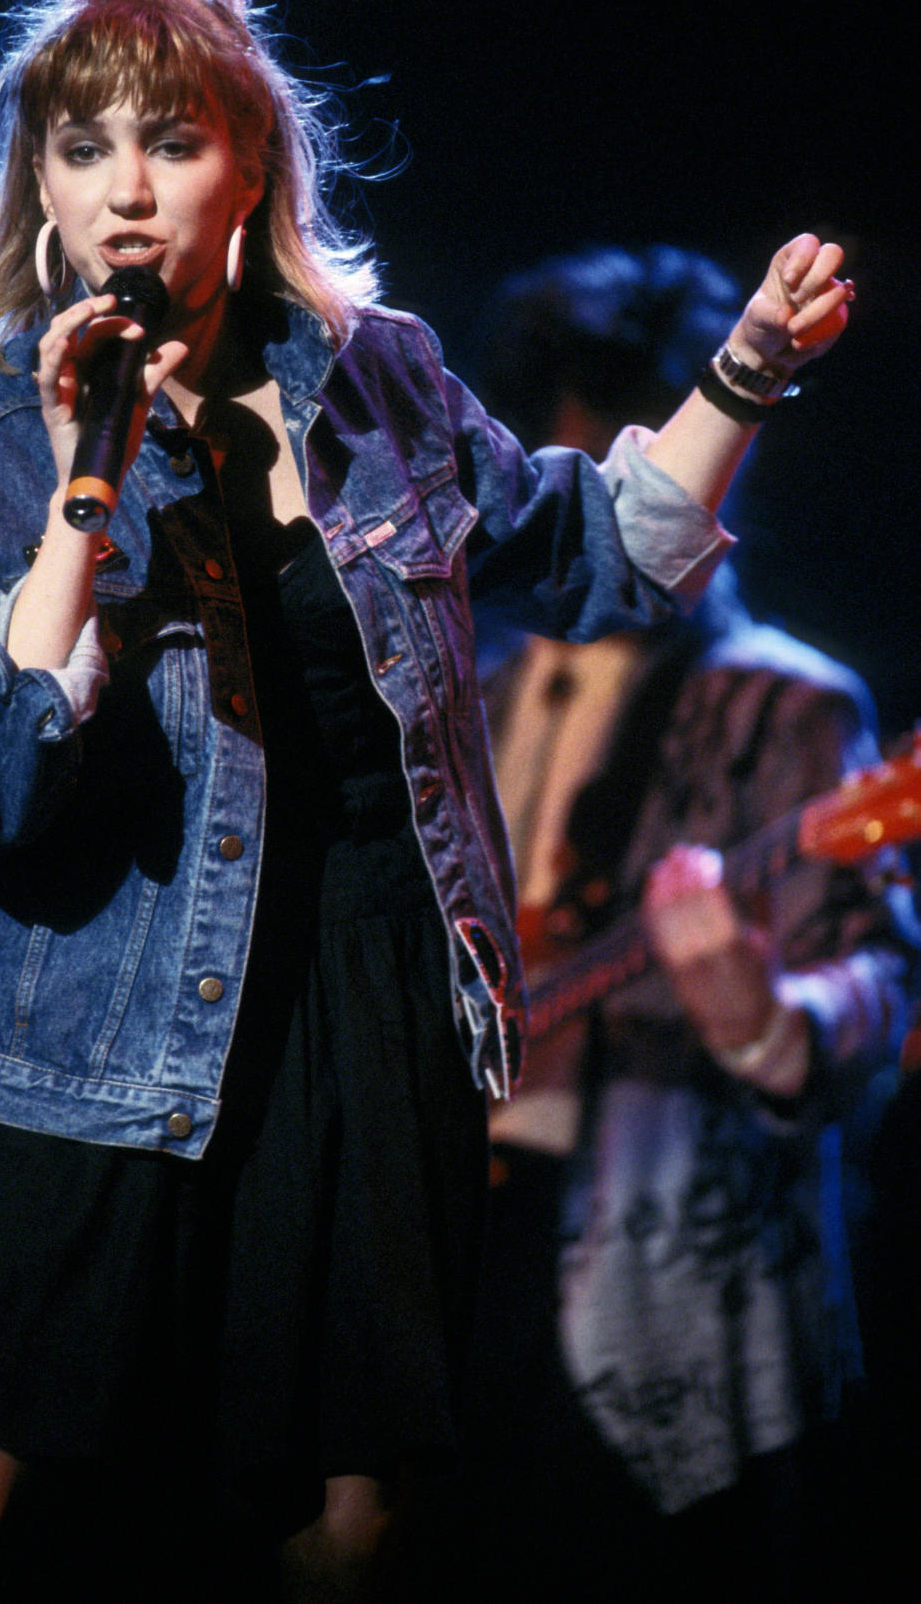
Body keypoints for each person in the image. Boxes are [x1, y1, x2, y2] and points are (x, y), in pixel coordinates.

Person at [0, 0, 853, 1603]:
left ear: (247, 169)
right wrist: (80, 488)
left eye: (170, 143)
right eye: (82, 146)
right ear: (35, 179)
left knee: (356, 1522)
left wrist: (748, 370)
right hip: (97, 1016)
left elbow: (594, 554)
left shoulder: (378, 385)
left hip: (370, 1004)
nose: (123, 189)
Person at [464, 246, 911, 1602]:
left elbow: (875, 985)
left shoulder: (787, 703)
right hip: (440, 1211)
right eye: (578, 452)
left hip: (653, 1232)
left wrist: (763, 1017)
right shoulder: (464, 679)